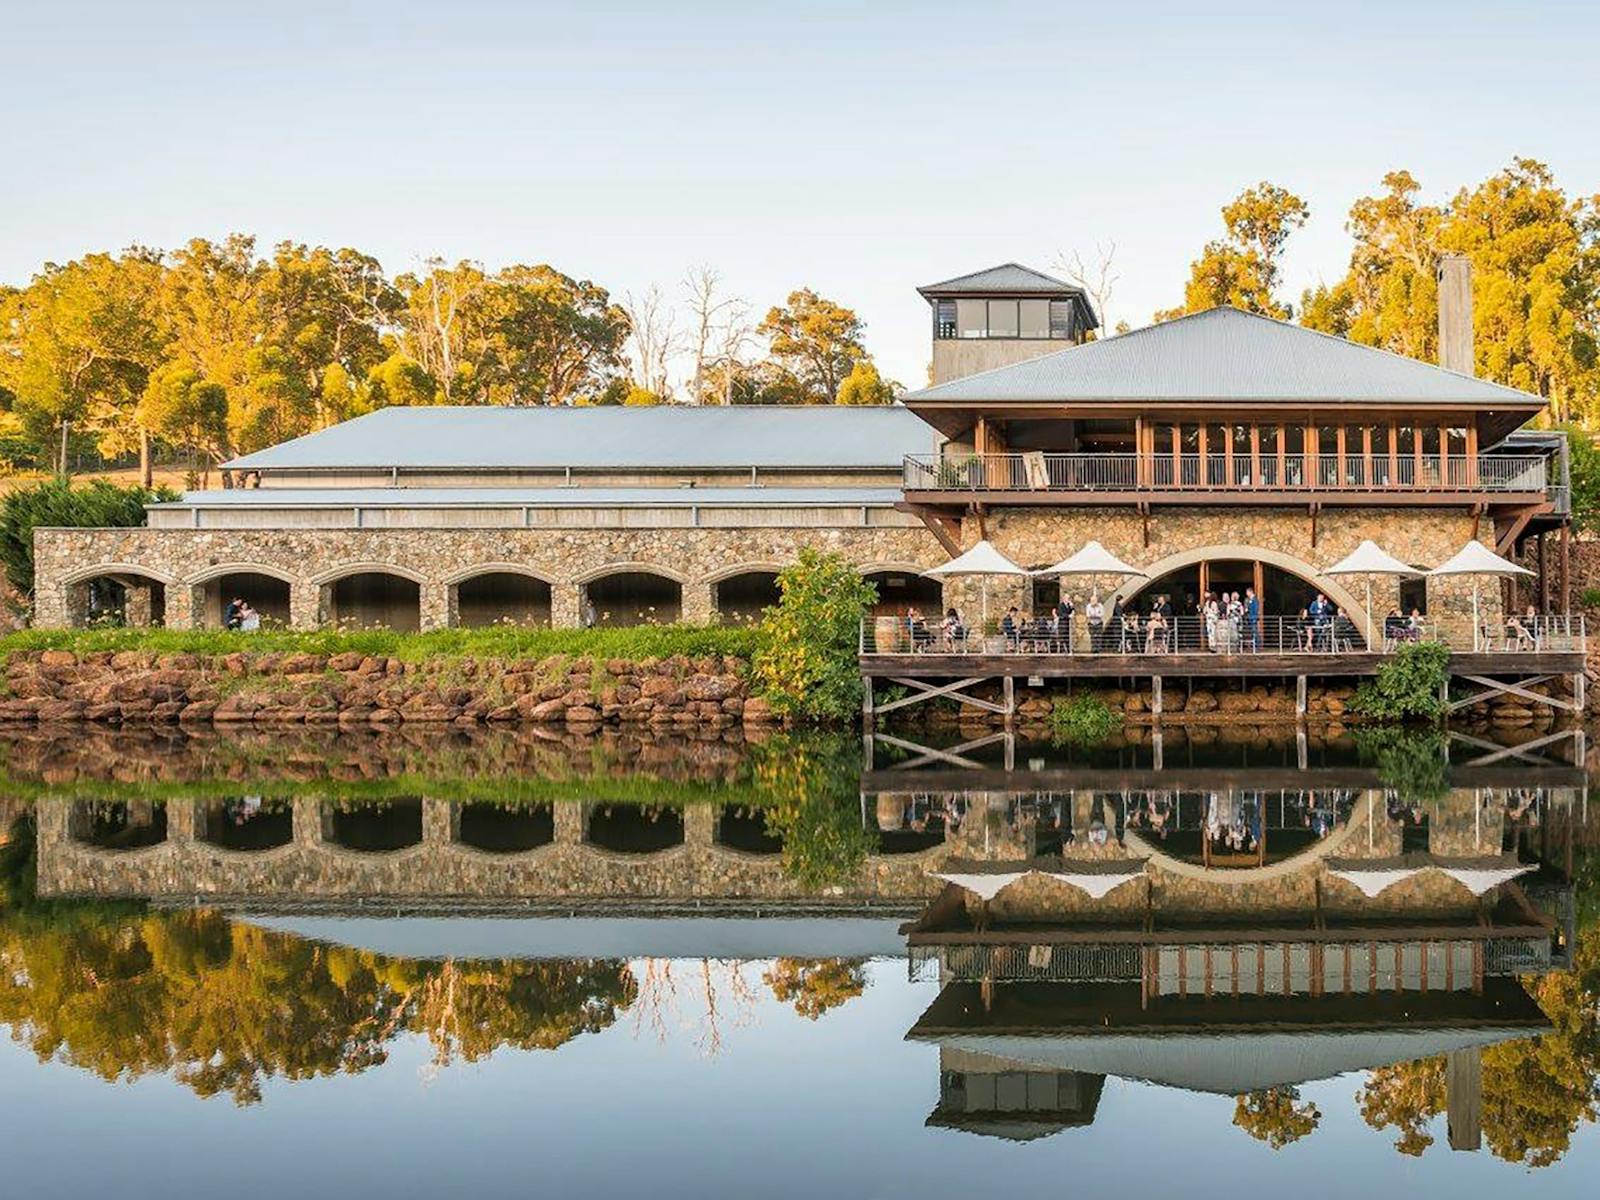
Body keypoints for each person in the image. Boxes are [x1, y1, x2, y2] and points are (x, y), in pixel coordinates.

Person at [1244, 586, 1260, 651]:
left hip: (1253, 617)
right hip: (1251, 618)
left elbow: (1255, 609)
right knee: (1253, 632)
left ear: (1250, 592)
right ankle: (1255, 645)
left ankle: (1256, 646)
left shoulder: (1254, 599)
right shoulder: (1250, 599)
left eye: (1247, 592)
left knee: (1254, 632)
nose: (1246, 594)